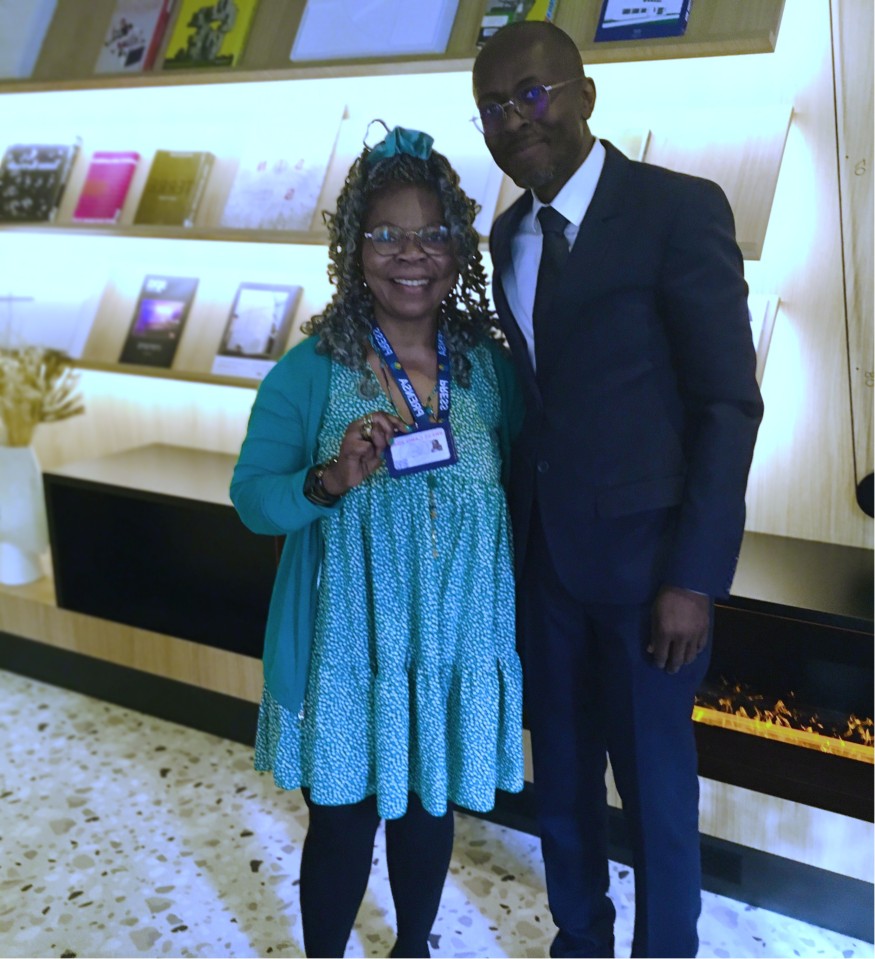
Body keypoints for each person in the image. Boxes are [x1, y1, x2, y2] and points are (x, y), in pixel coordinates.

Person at [472, 21, 764, 959]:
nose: (516, 119)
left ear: (584, 95)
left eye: (532, 93)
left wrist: (694, 576)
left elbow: (726, 403)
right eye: (492, 107)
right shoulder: (506, 234)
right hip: (547, 567)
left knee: (655, 793)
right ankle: (580, 940)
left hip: (650, 577)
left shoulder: (677, 209)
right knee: (560, 782)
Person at [230, 122, 524, 959]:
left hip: (451, 644)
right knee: (343, 821)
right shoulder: (311, 370)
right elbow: (252, 497)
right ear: (354, 248)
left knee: (429, 810)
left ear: (457, 247)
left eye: (431, 233)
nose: (410, 254)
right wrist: (330, 479)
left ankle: (413, 946)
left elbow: (523, 488)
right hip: (349, 652)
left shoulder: (489, 369)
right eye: (386, 234)